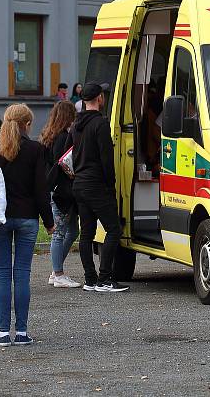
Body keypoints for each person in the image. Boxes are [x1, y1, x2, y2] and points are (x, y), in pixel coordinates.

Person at [0, 104, 54, 346]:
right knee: (22, 275)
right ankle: (21, 333)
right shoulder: (35, 149)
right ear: (26, 124)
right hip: (28, 218)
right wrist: (49, 222)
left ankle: (1, 334)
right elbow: (42, 190)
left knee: (1, 275)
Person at [70, 82, 129, 293]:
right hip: (96, 184)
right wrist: (111, 186)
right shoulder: (101, 124)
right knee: (114, 229)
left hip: (80, 184)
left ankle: (90, 279)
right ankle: (105, 278)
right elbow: (107, 160)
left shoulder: (76, 124)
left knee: (86, 233)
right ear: (100, 99)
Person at [38, 101, 80, 289]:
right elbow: (66, 163)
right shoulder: (64, 137)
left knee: (71, 231)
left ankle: (57, 270)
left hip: (52, 187)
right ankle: (58, 273)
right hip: (62, 190)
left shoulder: (48, 136)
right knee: (61, 232)